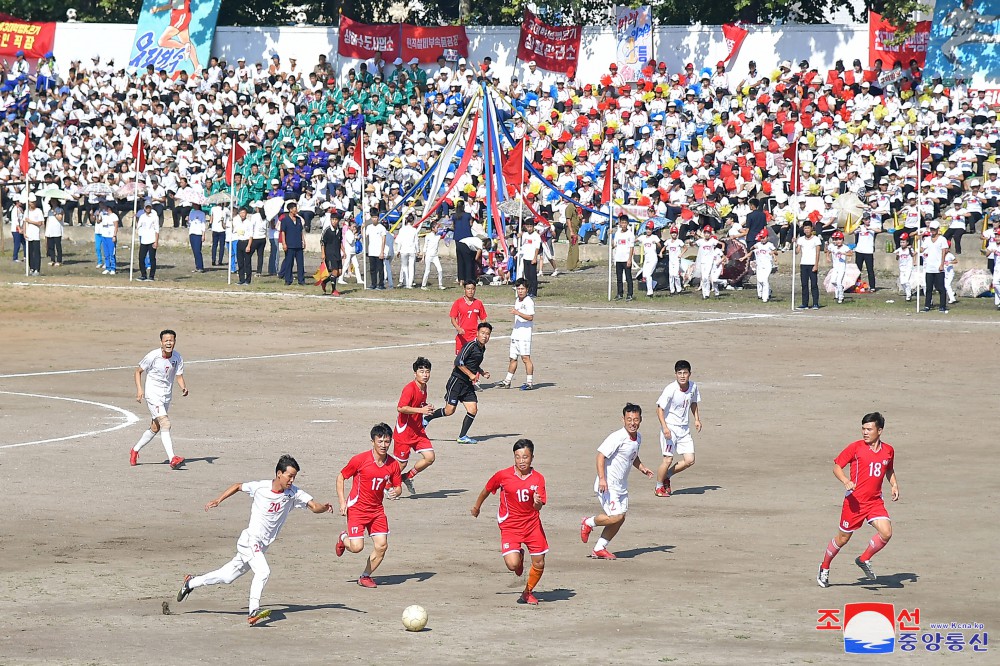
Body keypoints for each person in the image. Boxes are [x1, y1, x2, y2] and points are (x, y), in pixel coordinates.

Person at [175, 455, 334, 625]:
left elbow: (314, 506)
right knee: (263, 571)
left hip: (261, 546)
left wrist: (323, 508)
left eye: (294, 477)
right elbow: (237, 486)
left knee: (227, 577)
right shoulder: (261, 487)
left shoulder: (294, 493)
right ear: (279, 473)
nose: (292, 480)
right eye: (290, 476)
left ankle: (191, 582)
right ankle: (253, 610)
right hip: (250, 540)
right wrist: (218, 500)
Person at [816, 412, 899, 588]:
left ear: (880, 430)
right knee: (843, 539)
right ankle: (824, 567)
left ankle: (864, 559)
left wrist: (894, 485)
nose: (865, 432)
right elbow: (837, 467)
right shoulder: (856, 447)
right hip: (854, 503)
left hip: (875, 502)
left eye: (869, 429)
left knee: (886, 532)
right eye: (863, 428)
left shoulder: (888, 450)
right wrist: (846, 481)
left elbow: (888, 470)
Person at [470, 439, 548, 605]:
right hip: (510, 526)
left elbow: (539, 506)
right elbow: (486, 490)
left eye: (525, 457)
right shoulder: (503, 475)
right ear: (514, 457)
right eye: (518, 457)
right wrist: (477, 507)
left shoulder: (538, 479)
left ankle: (527, 592)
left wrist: (536, 502)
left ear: (532, 457)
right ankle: (519, 556)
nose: (521, 461)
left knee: (540, 562)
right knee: (513, 565)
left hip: (532, 525)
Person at [580, 403, 654, 559]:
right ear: (623, 420)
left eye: (636, 419)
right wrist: (602, 479)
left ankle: (599, 548)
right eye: (629, 419)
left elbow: (632, 456)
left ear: (640, 420)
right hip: (607, 485)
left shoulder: (637, 438)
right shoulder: (617, 437)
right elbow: (600, 455)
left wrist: (642, 468)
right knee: (616, 516)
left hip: (621, 486)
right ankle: (588, 522)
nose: (632, 423)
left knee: (620, 519)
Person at [334, 423, 402, 588]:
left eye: (387, 441)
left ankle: (365, 576)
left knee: (382, 546)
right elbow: (341, 477)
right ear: (372, 441)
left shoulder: (393, 464)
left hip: (377, 511)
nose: (384, 445)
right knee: (357, 547)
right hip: (357, 508)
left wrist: (396, 492)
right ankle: (344, 538)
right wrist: (342, 502)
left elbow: (398, 486)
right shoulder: (360, 460)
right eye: (380, 441)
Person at [424, 321, 492, 445]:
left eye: (487, 334)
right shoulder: (470, 346)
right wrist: (471, 375)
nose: (485, 336)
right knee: (449, 411)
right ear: (477, 333)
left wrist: (481, 372)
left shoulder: (482, 348)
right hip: (457, 382)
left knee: (473, 409)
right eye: (482, 333)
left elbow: (473, 363)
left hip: (467, 385)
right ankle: (428, 417)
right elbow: (458, 362)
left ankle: (462, 436)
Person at [130, 329, 188, 470]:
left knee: (155, 427)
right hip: (153, 394)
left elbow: (179, 375)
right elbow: (138, 371)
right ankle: (172, 459)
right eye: (166, 340)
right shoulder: (153, 356)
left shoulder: (178, 357)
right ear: (161, 342)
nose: (169, 343)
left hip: (166, 395)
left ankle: (135, 450)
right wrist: (139, 390)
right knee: (165, 423)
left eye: (171, 340)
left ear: (174, 342)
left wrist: (183, 387)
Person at [654, 360, 702, 497]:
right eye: (679, 373)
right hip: (670, 428)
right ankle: (658, 487)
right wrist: (665, 428)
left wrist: (697, 419)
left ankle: (667, 476)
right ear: (675, 374)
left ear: (689, 374)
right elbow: (659, 409)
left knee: (690, 460)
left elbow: (693, 402)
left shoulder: (693, 387)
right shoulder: (670, 389)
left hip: (684, 429)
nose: (682, 376)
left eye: (685, 373)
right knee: (668, 460)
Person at [392, 357, 436, 495]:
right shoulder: (409, 388)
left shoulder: (424, 387)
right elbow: (401, 408)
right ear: (415, 373)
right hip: (404, 432)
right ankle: (386, 485)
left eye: (427, 371)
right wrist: (421, 411)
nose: (425, 375)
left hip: (417, 430)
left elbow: (418, 404)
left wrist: (426, 406)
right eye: (421, 371)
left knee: (430, 457)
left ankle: (407, 477)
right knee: (400, 464)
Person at [499, 278, 535, 391]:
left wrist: (517, 312)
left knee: (525, 358)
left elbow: (530, 317)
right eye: (518, 289)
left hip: (524, 335)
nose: (520, 291)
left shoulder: (529, 301)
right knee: (513, 358)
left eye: (522, 289)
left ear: (527, 289)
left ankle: (529, 382)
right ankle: (507, 381)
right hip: (516, 334)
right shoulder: (517, 301)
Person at [449, 282, 488, 355]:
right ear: (464, 289)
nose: (470, 291)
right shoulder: (458, 302)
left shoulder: (478, 303)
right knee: (459, 362)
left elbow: (483, 319)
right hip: (462, 337)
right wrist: (458, 328)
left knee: (473, 360)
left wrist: (482, 332)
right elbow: (453, 318)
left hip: (474, 337)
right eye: (468, 289)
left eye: (473, 289)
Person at [921, 221, 949, 313]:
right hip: (929, 267)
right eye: (931, 229)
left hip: (938, 267)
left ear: (937, 229)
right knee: (929, 288)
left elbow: (944, 252)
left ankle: (942, 306)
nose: (932, 231)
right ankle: (927, 305)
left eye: (934, 229)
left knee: (940, 288)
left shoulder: (942, 239)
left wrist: (942, 264)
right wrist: (918, 239)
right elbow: (922, 249)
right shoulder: (927, 239)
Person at [796, 221, 822, 309]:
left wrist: (816, 265)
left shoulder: (816, 239)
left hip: (812, 264)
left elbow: (818, 253)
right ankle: (805, 303)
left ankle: (815, 303)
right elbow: (797, 252)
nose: (807, 230)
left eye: (808, 228)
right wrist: (794, 243)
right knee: (804, 284)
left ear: (811, 229)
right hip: (803, 264)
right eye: (805, 228)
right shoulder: (801, 239)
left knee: (814, 284)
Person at [279, 202, 306, 286]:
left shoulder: (298, 220)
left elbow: (301, 231)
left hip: (298, 244)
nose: (296, 210)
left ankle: (301, 280)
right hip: (290, 244)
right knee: (289, 263)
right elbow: (283, 232)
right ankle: (288, 279)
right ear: (290, 210)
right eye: (294, 209)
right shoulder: (285, 220)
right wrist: (284, 243)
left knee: (300, 263)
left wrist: (303, 241)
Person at [612, 214, 635, 301]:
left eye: (625, 223)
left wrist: (629, 259)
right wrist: (611, 235)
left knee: (628, 277)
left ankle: (630, 294)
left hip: (626, 258)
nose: (624, 224)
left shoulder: (630, 234)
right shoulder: (617, 233)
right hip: (618, 258)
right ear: (620, 224)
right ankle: (619, 293)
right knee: (619, 277)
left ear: (627, 223)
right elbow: (614, 245)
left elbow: (631, 247)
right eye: (622, 223)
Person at [750, 229, 777, 302]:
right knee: (759, 280)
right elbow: (751, 249)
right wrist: (753, 248)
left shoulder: (770, 245)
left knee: (765, 280)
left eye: (764, 237)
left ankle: (765, 297)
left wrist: (773, 253)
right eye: (761, 238)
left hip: (767, 265)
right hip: (759, 265)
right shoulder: (758, 245)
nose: (762, 239)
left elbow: (775, 252)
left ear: (767, 237)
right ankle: (767, 291)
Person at [320, 215, 344, 295]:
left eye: (335, 219)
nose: (334, 221)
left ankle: (324, 281)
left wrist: (343, 251)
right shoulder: (327, 230)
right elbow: (322, 242)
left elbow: (340, 241)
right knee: (334, 271)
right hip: (330, 253)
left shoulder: (339, 230)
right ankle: (334, 290)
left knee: (339, 272)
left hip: (337, 253)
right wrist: (323, 253)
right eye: (332, 219)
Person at [827, 231, 853, 304]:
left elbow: (850, 253)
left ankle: (840, 297)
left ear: (842, 240)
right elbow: (828, 251)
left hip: (841, 267)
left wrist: (843, 253)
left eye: (839, 239)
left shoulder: (845, 247)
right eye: (836, 239)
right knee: (833, 281)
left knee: (838, 281)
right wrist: (827, 257)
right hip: (835, 267)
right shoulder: (833, 247)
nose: (838, 241)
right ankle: (840, 288)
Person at [136, 203, 160, 281]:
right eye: (147, 207)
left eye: (149, 207)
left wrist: (156, 241)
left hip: (152, 239)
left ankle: (151, 276)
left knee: (152, 258)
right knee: (141, 258)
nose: (148, 209)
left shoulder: (154, 217)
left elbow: (157, 230)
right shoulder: (142, 217)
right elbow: (138, 226)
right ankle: (143, 275)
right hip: (144, 240)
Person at [518, 219, 542, 297]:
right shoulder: (525, 235)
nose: (529, 228)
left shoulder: (536, 236)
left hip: (532, 258)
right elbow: (523, 244)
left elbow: (537, 248)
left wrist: (535, 258)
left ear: (533, 227)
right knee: (527, 276)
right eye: (528, 227)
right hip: (526, 257)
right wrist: (519, 236)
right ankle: (528, 291)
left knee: (532, 277)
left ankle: (533, 292)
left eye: (530, 227)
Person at [364, 211, 387, 290]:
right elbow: (365, 237)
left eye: (375, 217)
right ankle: (373, 283)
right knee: (372, 268)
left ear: (378, 218)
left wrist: (382, 251)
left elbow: (383, 239)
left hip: (378, 251)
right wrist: (362, 227)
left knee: (380, 268)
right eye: (373, 217)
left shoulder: (381, 227)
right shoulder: (369, 227)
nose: (374, 219)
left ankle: (381, 284)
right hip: (371, 251)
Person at [638, 222, 662, 297]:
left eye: (650, 229)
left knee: (648, 275)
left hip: (653, 258)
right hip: (647, 258)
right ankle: (654, 284)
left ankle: (650, 292)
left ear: (652, 230)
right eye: (647, 229)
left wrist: (656, 243)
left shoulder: (654, 237)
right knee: (644, 276)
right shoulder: (643, 237)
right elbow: (634, 240)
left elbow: (659, 245)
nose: (648, 231)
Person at [420, 219, 445, 290]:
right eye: (436, 227)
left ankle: (440, 285)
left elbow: (443, 233)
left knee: (440, 270)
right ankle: (423, 285)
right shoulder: (428, 236)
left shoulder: (437, 236)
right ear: (433, 228)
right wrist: (423, 257)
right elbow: (425, 247)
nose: (438, 229)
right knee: (427, 271)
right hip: (429, 256)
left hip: (435, 256)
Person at [395, 216, 419, 288]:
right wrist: (418, 250)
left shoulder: (402, 230)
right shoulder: (414, 230)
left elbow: (399, 241)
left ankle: (405, 282)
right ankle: (410, 284)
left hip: (404, 250)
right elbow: (416, 241)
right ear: (412, 221)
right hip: (412, 250)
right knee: (411, 267)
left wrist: (398, 250)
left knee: (404, 266)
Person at [24, 197, 44, 276]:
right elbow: (25, 222)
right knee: (29, 252)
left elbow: (40, 223)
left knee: (36, 253)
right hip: (29, 235)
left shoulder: (38, 211)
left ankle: (37, 269)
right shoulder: (27, 211)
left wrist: (31, 221)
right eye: (30, 202)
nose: (31, 204)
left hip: (35, 235)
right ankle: (31, 268)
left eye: (32, 202)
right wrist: (24, 232)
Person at [664, 226, 686, 293]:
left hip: (676, 260)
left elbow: (685, 248)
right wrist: (661, 252)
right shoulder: (668, 241)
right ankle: (672, 290)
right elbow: (664, 247)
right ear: (670, 234)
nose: (674, 234)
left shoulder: (679, 241)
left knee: (676, 275)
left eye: (675, 233)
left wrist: (681, 254)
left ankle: (678, 289)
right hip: (671, 260)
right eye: (673, 233)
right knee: (671, 275)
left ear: (677, 234)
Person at [895, 233, 915, 301]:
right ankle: (908, 292)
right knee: (902, 282)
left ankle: (908, 295)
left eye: (903, 242)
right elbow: (897, 258)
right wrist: (897, 255)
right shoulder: (899, 250)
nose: (902, 244)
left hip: (908, 267)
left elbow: (912, 255)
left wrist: (910, 249)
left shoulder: (909, 249)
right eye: (901, 242)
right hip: (902, 268)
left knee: (906, 281)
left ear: (907, 242)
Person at [187, 206, 206, 272]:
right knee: (194, 251)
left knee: (197, 250)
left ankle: (200, 266)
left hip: (198, 233)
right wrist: (187, 220)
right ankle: (197, 266)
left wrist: (203, 235)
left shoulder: (202, 214)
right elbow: (189, 223)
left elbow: (203, 224)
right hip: (192, 232)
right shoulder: (191, 213)